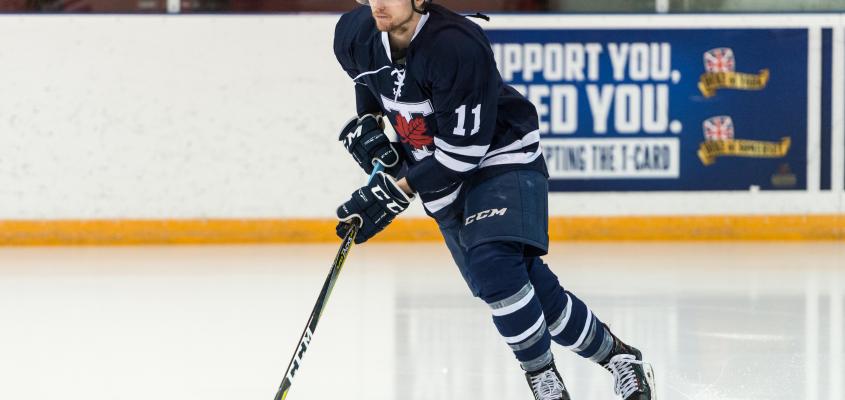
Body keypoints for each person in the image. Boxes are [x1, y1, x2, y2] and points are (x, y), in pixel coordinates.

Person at [332, 1, 656, 399]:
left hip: (500, 154)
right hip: (436, 174)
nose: (380, 3)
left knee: (493, 264)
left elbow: (462, 154)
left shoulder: (456, 45)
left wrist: (397, 190)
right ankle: (620, 357)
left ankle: (542, 379)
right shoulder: (354, 32)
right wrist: (370, 122)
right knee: (521, 287)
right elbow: (366, 79)